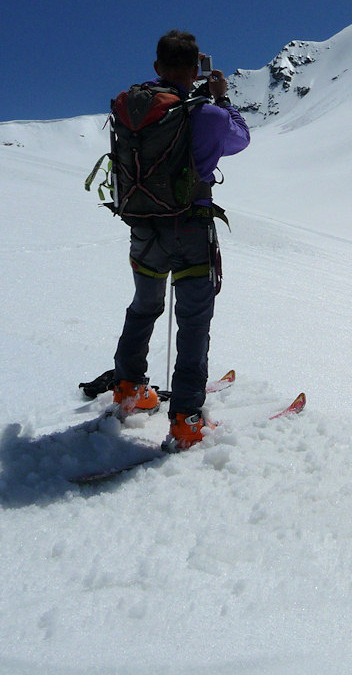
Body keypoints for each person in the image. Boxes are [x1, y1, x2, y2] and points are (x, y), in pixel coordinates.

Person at [110, 30, 251, 451]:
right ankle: (186, 419)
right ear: (195, 70)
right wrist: (221, 98)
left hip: (143, 227)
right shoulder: (204, 113)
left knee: (144, 307)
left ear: (157, 67)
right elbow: (240, 139)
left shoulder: (131, 111)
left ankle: (129, 389)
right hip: (190, 227)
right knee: (192, 323)